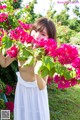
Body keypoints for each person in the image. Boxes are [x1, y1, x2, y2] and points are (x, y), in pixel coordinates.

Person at [0, 17, 56, 120]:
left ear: (49, 39)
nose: (37, 36)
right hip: (22, 90)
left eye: (43, 34)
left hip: (37, 93)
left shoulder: (46, 56)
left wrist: (37, 69)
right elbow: (4, 63)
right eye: (35, 30)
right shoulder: (21, 47)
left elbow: (42, 86)